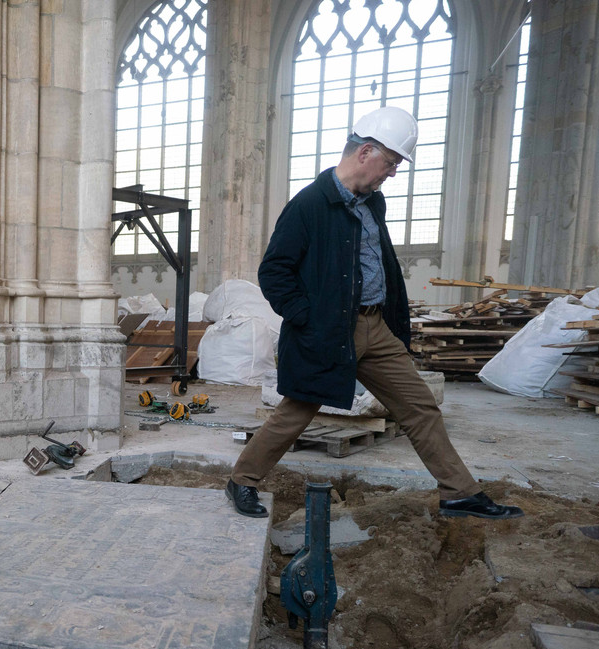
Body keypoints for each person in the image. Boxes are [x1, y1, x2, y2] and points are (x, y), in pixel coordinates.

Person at [224, 106, 522, 521]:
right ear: (366, 152)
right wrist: (307, 318)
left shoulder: (371, 204)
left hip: (374, 327)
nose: (394, 172)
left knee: (420, 406)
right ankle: (242, 480)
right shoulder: (309, 205)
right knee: (296, 413)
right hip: (327, 331)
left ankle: (459, 493)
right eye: (392, 162)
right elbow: (274, 272)